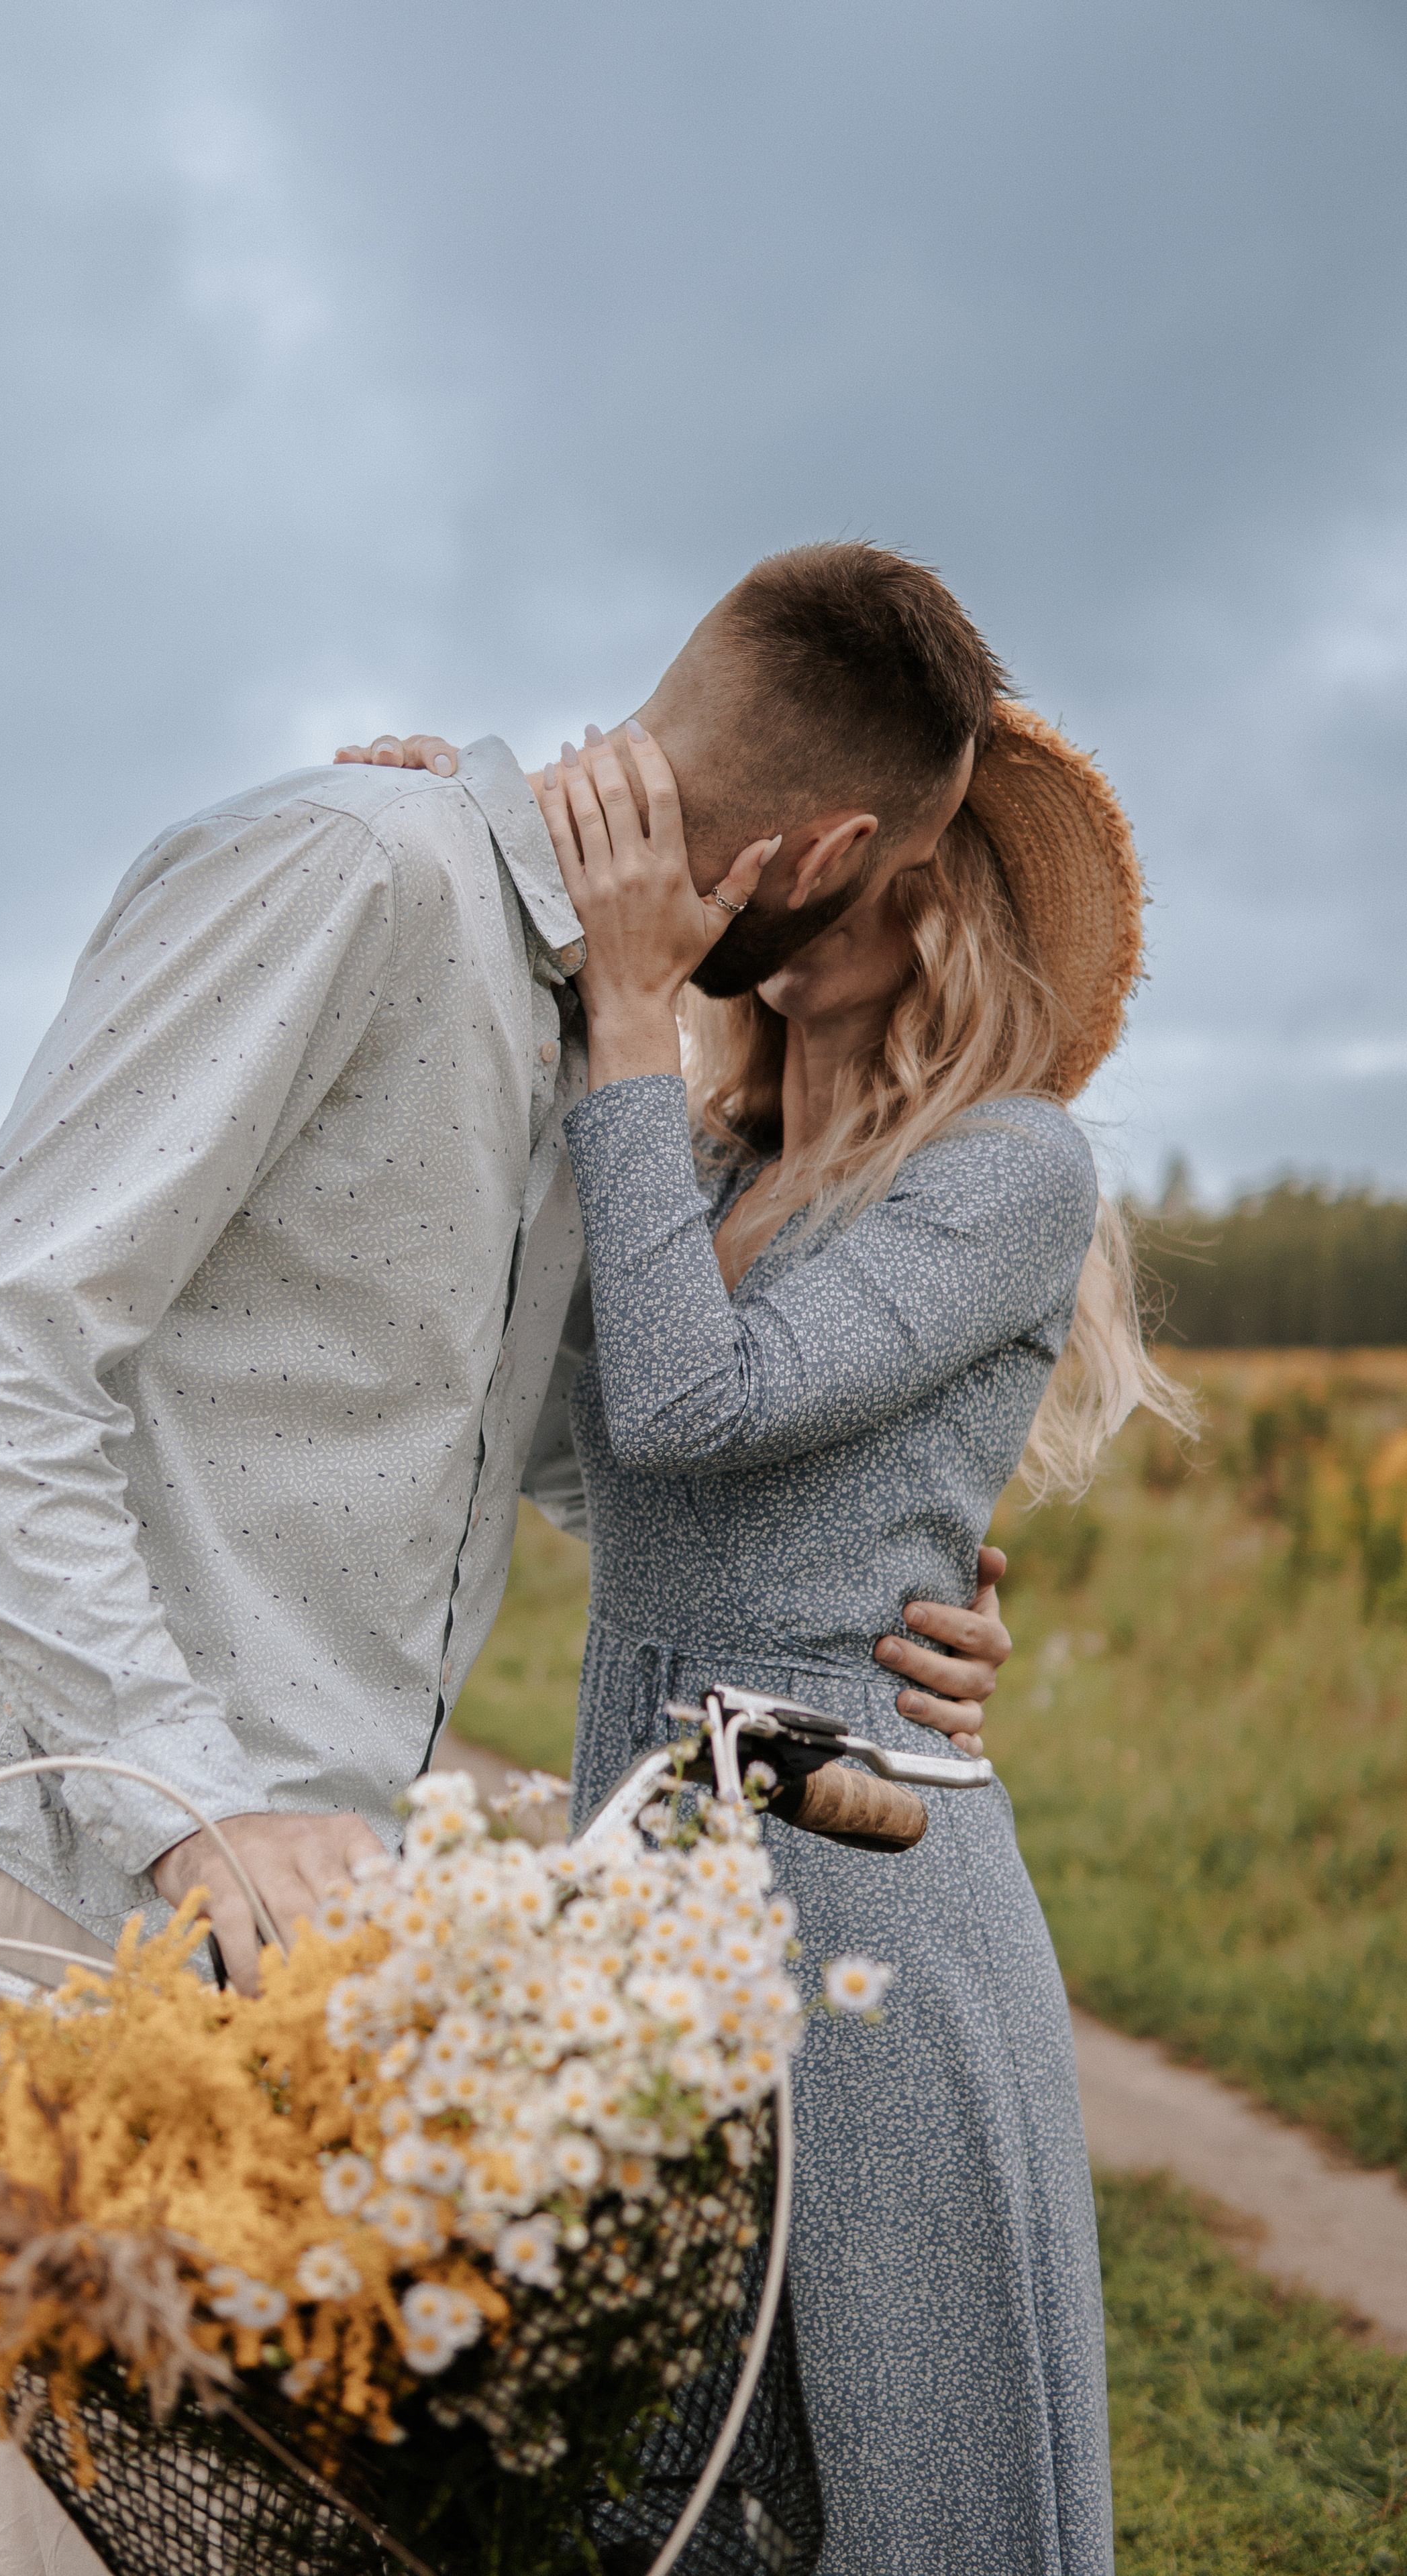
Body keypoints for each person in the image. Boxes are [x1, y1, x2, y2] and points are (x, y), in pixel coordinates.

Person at [0, 540, 1016, 2573]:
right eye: (897, 876)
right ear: (826, 846)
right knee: (78, 2537)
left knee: (249, 2530)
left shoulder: (611, 1044)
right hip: (90, 1847)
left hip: (303, 1893)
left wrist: (887, 1611)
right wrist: (197, 1807)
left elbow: (585, 1461)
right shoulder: (356, 872)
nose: (886, 916)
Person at [508, 667, 1194, 2573]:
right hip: (640, 1836)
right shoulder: (703, 1165)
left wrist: (629, 1023)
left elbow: (693, 1404)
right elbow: (598, 1470)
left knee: (905, 2474)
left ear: (931, 893)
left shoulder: (1009, 1172)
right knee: (655, 2468)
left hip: (858, 1882)